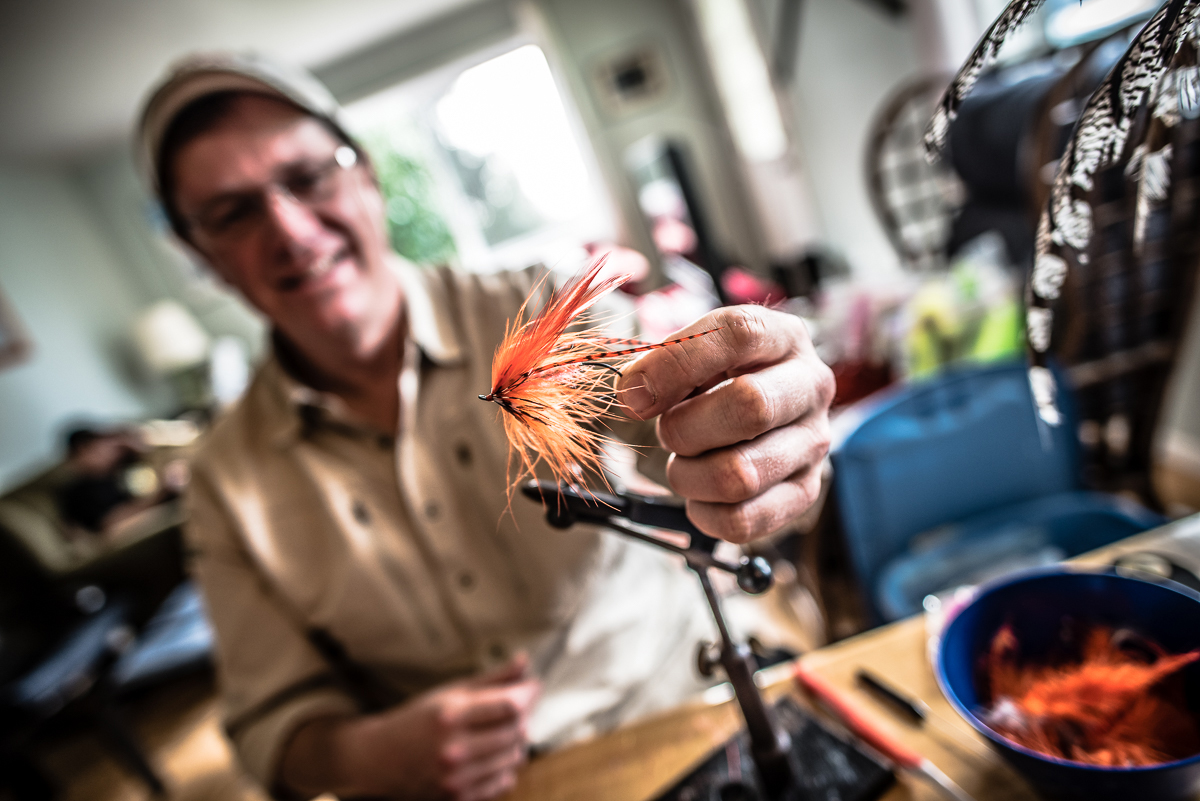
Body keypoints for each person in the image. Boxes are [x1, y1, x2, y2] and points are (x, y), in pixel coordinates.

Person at [137, 53, 833, 801]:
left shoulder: (541, 315)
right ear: (199, 252)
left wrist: (767, 447)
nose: (289, 229)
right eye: (232, 212)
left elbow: (733, 485)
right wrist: (360, 756)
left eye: (307, 177)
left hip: (686, 715)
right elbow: (267, 724)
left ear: (365, 175)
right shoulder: (221, 482)